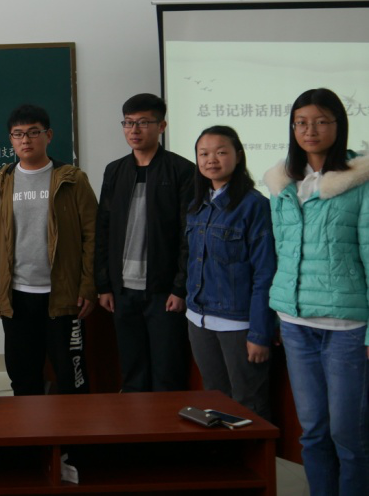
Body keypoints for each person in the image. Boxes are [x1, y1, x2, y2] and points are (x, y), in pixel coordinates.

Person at [263, 87, 369, 496]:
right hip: (295, 323)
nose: (310, 130)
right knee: (313, 431)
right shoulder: (283, 183)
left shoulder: (359, 182)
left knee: (349, 435)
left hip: (347, 327)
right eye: (301, 122)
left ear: (338, 126)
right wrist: (277, 312)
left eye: (322, 121)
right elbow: (280, 251)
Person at [0, 104, 98, 396]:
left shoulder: (73, 179)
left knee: (71, 378)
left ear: (48, 135)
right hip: (17, 296)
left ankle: (72, 427)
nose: (26, 140)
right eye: (18, 134)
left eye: (33, 132)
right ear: (11, 139)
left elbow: (92, 235)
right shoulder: (0, 182)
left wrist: (88, 285)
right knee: (23, 378)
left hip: (63, 296)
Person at [95, 93, 194, 392]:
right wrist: (104, 284)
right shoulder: (115, 170)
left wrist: (180, 287)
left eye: (143, 123)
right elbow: (103, 228)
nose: (134, 130)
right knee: (132, 369)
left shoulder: (182, 170)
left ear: (161, 126)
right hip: (123, 290)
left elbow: (188, 234)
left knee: (167, 372)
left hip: (163, 291)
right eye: (128, 123)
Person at [185, 126, 276, 420]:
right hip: (198, 319)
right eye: (204, 153)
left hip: (238, 324)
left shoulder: (255, 205)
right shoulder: (197, 205)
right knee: (214, 400)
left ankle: (253, 452)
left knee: (248, 403)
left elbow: (265, 274)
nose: (211, 159)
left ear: (238, 155)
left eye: (221, 152)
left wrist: (260, 333)